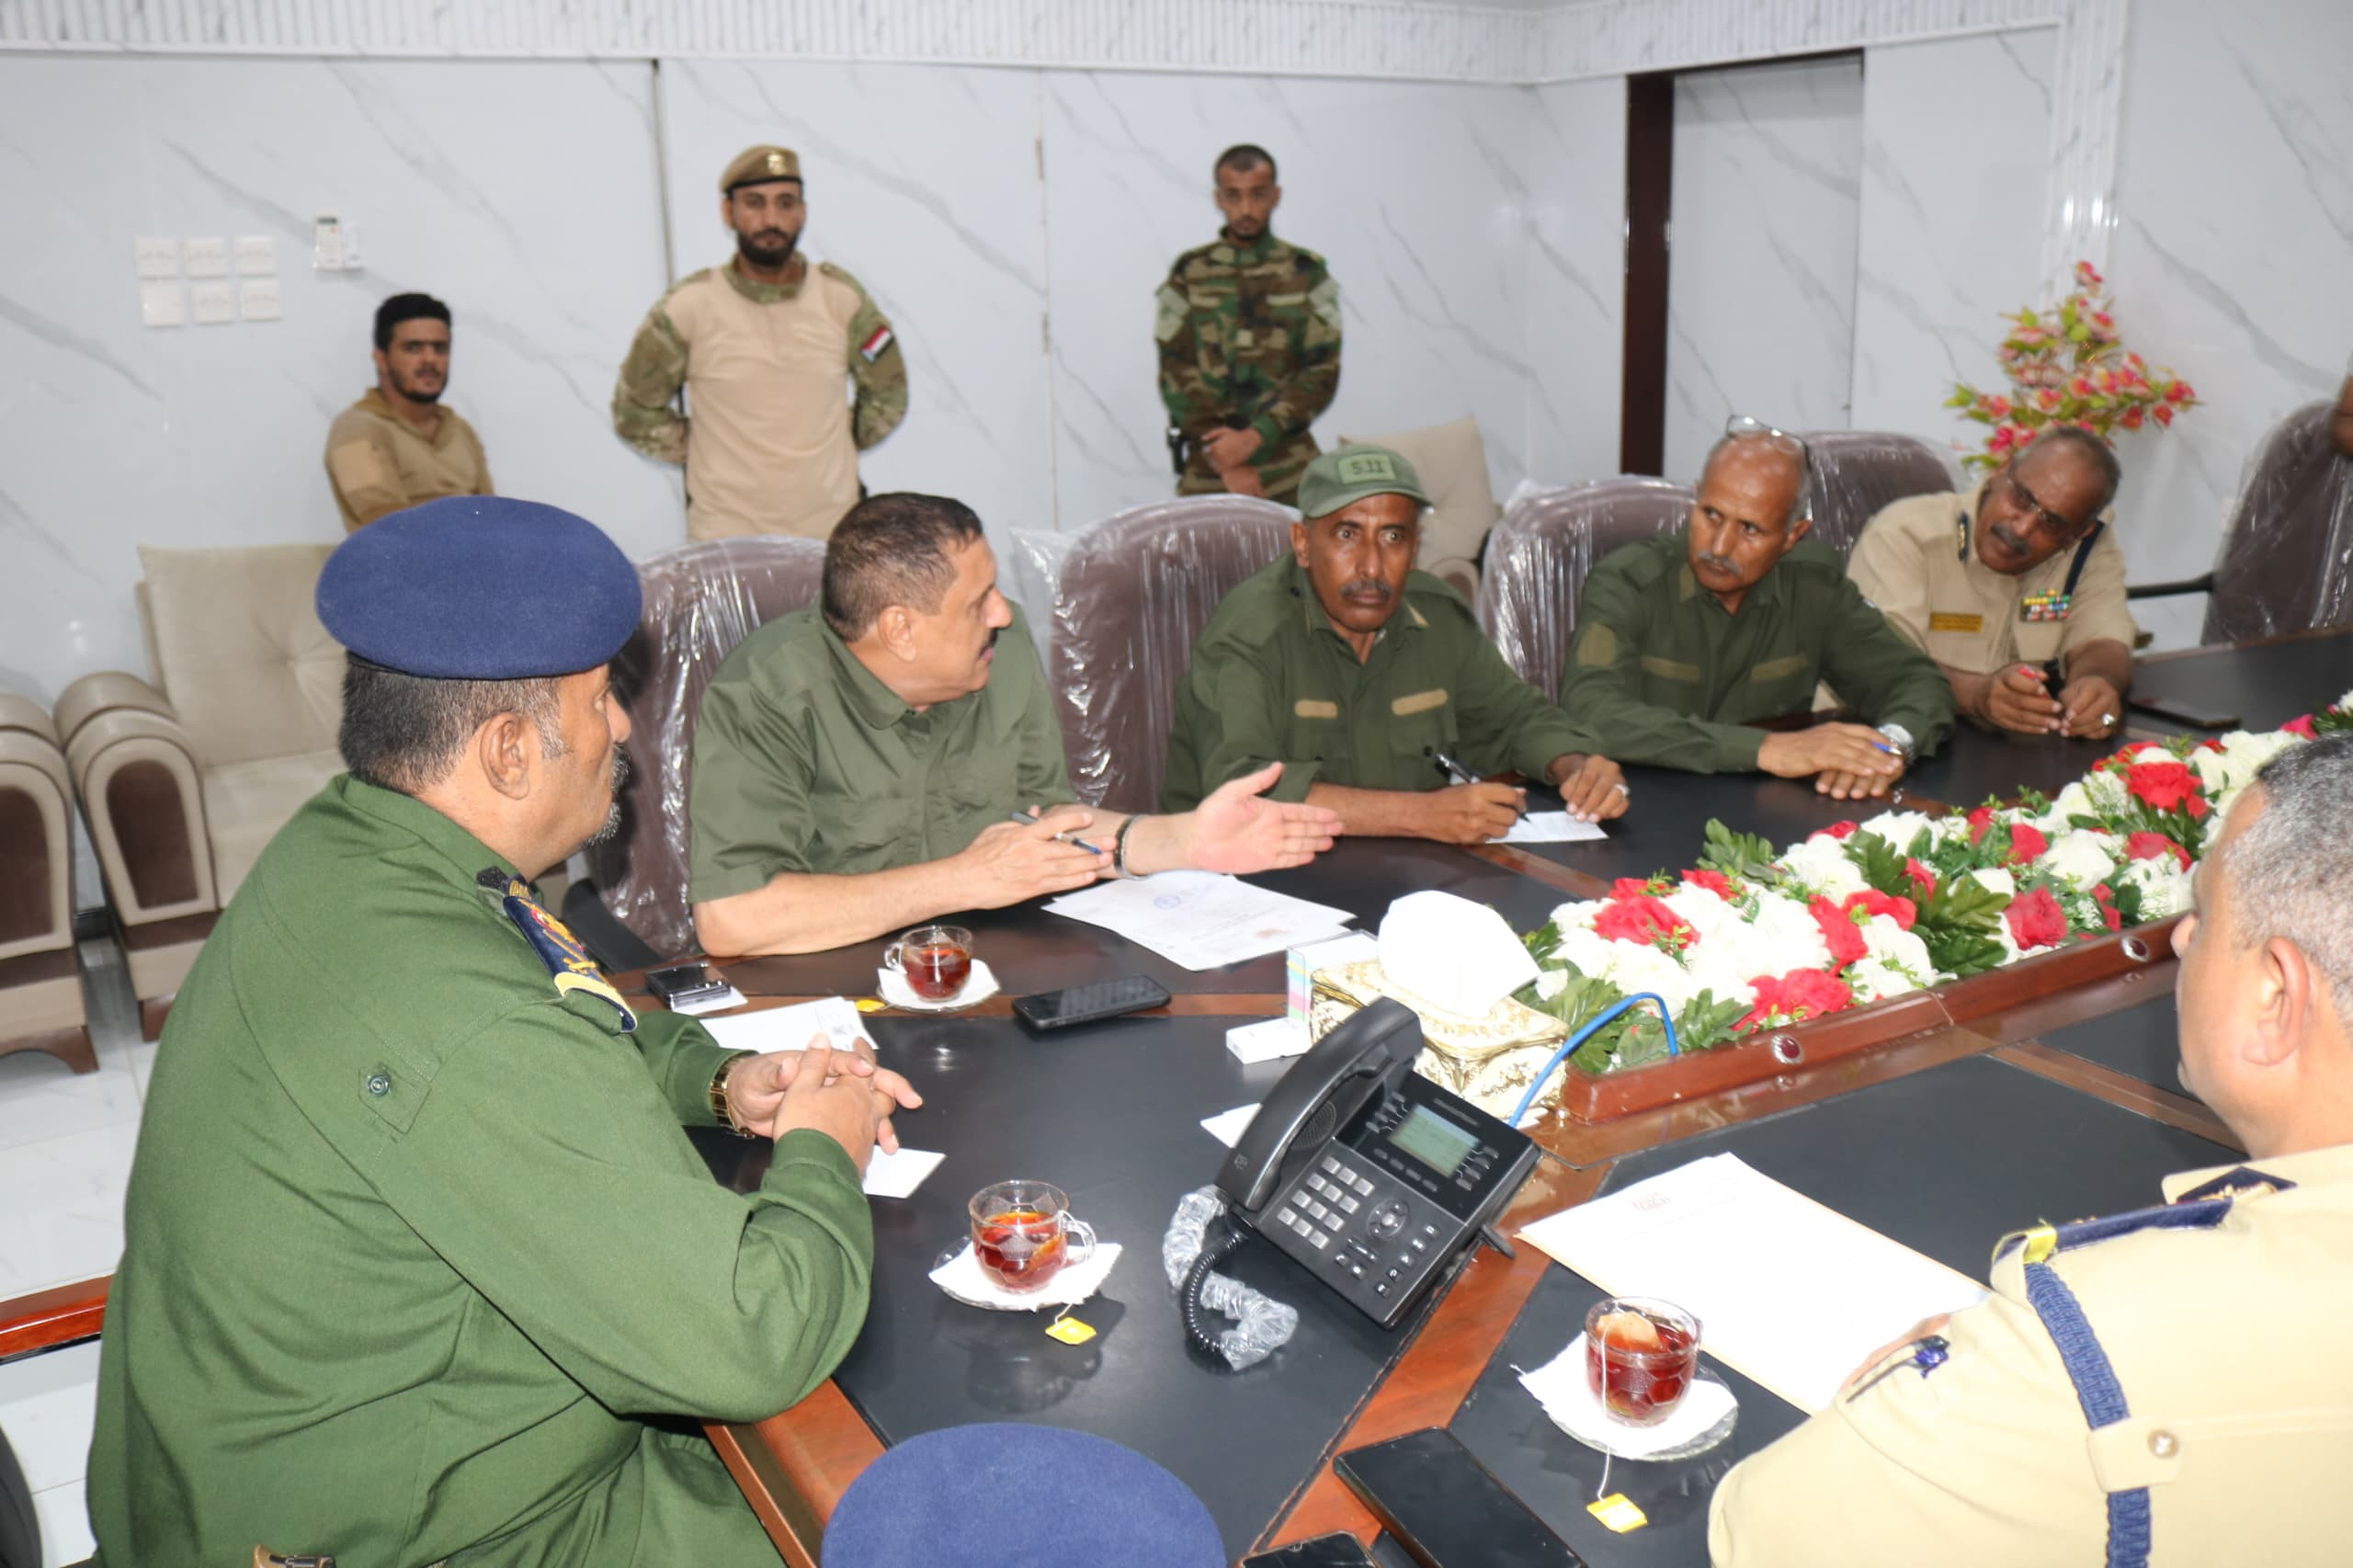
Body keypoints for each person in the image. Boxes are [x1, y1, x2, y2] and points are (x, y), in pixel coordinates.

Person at [86, 497, 921, 1566]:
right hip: (426, 1531)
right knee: (905, 1511)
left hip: (299, 1459)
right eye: (600, 698)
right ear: (510, 751)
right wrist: (822, 1148)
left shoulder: (353, 843)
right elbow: (754, 1336)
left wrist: (718, 1080)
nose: (623, 727)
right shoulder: (461, 1010)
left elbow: (552, 1017)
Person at [1710, 732, 2353, 1566]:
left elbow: (1761, 1528)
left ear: (2276, 995)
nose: (2181, 939)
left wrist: (1968, 1384)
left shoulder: (2094, 1344)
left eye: (2204, 915)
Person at [688, 492, 1340, 956]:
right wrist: (964, 879)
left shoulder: (998, 649)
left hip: (987, 971)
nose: (1002, 613)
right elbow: (732, 918)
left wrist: (1185, 841)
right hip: (834, 996)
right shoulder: (767, 693)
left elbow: (1043, 822)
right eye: (979, 602)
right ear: (900, 630)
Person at [1162, 446, 1629, 842]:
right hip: (1236, 883)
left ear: (1415, 546)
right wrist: (1421, 815)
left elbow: (1515, 719)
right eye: (1347, 534)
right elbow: (1241, 790)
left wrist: (1575, 766)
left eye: (1393, 537)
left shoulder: (1436, 618)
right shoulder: (1251, 633)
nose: (1371, 566)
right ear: (1302, 544)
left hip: (1399, 873)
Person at [1559, 417, 1956, 800]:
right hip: (1645, 803)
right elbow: (1591, 710)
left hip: (1768, 809)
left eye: (1749, 529)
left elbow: (1917, 683)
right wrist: (1766, 749)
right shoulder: (1629, 582)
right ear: (1695, 498)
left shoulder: (1814, 590)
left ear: (1793, 535)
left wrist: (1885, 751)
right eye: (1711, 515)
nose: (1719, 547)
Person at [612, 145, 908, 541]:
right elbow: (633, 412)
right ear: (728, 212)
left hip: (831, 538)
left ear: (802, 211)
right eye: (754, 203)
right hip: (725, 541)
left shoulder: (841, 299)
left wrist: (833, 443)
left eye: (785, 203)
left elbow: (889, 395)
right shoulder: (689, 306)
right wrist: (706, 450)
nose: (771, 219)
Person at [1847, 425, 2137, 740]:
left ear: (2078, 534)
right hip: (1875, 734)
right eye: (2022, 499)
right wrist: (1975, 695)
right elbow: (1876, 661)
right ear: (2000, 471)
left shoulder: (2089, 549)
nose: (2023, 528)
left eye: (2051, 523)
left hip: (1996, 745)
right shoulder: (1906, 532)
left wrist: (2096, 685)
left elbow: (2101, 639)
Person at [1156, 143, 1341, 506]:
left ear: (1275, 196)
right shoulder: (1189, 273)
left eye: (1257, 195)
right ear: (1218, 199)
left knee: (1311, 539)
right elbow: (1175, 372)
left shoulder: (1307, 273)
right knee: (1192, 542)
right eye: (1233, 196)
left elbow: (1322, 372)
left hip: (1287, 462)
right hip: (1211, 464)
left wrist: (1256, 437)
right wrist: (1226, 456)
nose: (1245, 209)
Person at [324, 292, 493, 530]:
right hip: (404, 556)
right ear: (381, 359)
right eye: (413, 348)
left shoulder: (461, 429)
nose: (430, 359)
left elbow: (493, 517)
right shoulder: (356, 430)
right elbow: (390, 529)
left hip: (474, 553)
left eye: (440, 348)